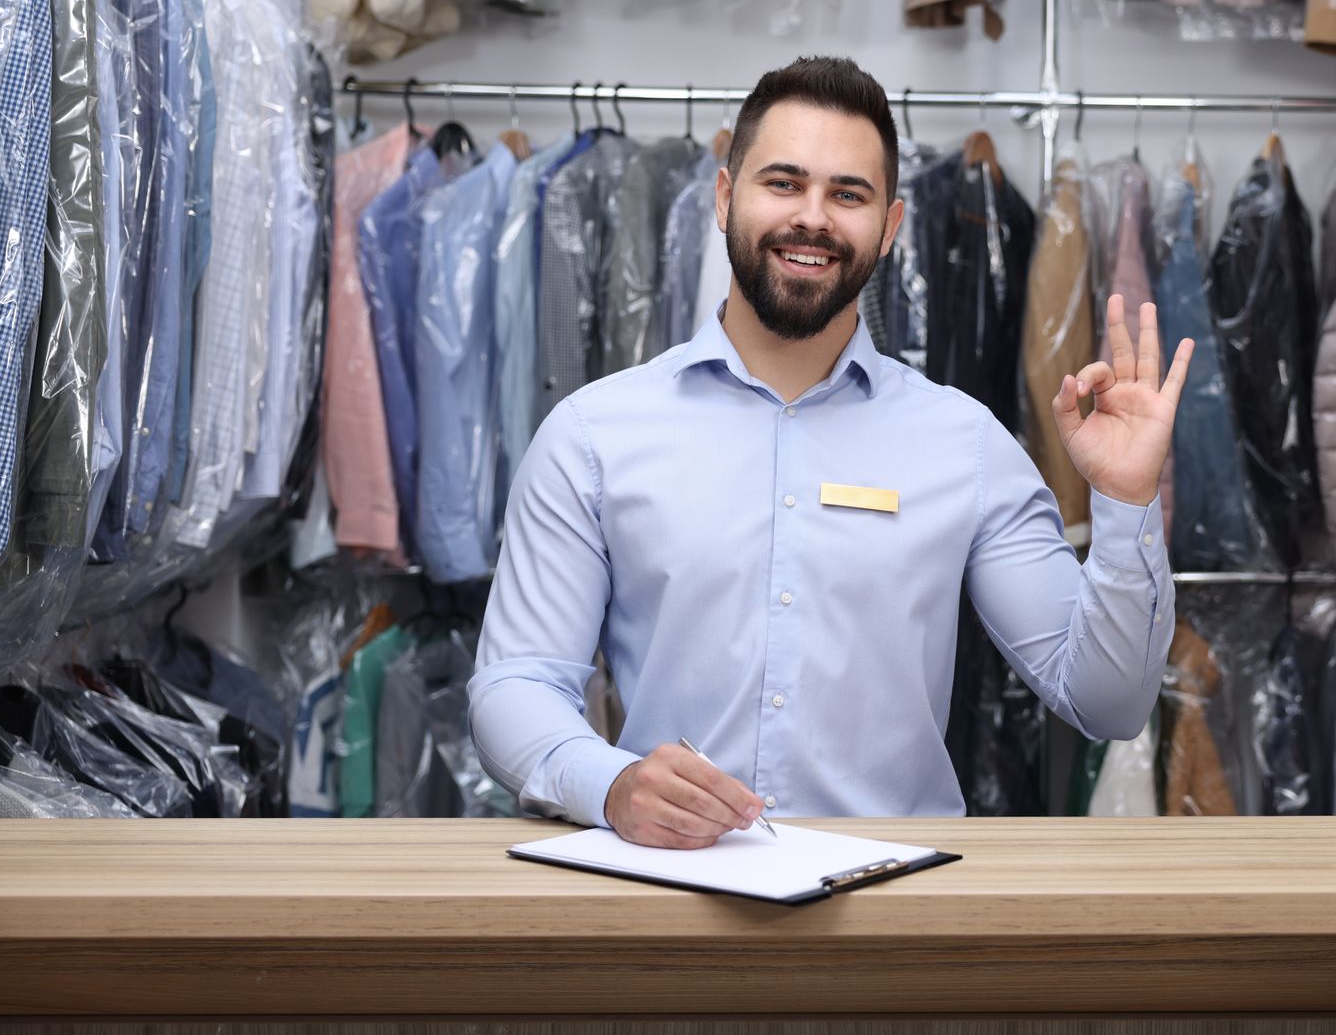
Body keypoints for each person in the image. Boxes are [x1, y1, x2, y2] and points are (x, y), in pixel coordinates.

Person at [469, 56, 1189, 848]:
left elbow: (1108, 702)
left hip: (895, 904)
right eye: (783, 183)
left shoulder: (967, 443)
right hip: (675, 896)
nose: (812, 217)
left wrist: (1127, 501)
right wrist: (610, 785)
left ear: (890, 226)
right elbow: (514, 684)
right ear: (724, 197)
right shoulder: (593, 435)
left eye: (848, 194)